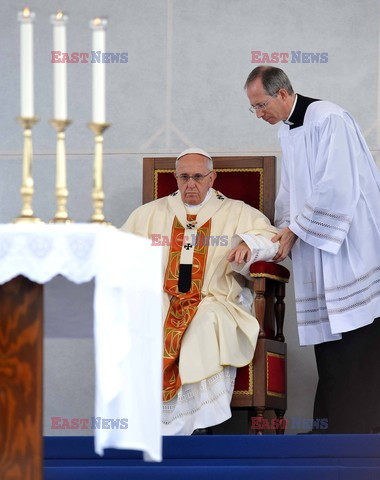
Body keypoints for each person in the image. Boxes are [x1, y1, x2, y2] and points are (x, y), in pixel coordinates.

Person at [245, 66, 380, 434]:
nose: (258, 114)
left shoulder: (329, 118)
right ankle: (335, 423)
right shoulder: (286, 131)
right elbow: (290, 191)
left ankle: (359, 427)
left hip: (348, 244)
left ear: (284, 93)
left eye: (261, 104)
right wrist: (282, 230)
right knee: (330, 337)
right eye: (253, 108)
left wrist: (296, 229)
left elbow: (338, 185)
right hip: (319, 247)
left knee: (358, 335)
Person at [121, 147, 279, 435]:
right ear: (175, 178)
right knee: (145, 315)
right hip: (164, 298)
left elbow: (272, 240)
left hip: (214, 298)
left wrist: (248, 244)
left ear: (212, 178)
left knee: (204, 321)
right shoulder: (149, 214)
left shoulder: (237, 212)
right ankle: (151, 422)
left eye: (197, 177)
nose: (190, 184)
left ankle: (197, 422)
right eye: (183, 177)